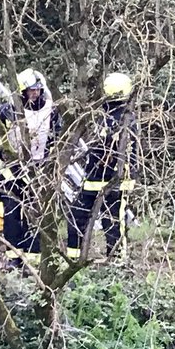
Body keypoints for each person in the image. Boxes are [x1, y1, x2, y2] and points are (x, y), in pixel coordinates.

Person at [66, 72, 138, 261]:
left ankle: (117, 262)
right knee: (77, 216)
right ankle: (73, 260)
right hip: (94, 179)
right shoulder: (106, 114)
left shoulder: (125, 119)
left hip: (116, 180)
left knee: (112, 221)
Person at [0, 68, 60, 268]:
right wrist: (2, 152)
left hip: (39, 171)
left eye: (37, 90)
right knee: (12, 215)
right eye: (30, 91)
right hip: (11, 171)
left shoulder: (51, 111)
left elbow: (57, 139)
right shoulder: (7, 111)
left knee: (37, 215)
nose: (34, 94)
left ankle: (34, 259)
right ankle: (14, 258)